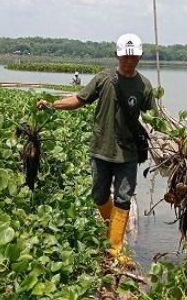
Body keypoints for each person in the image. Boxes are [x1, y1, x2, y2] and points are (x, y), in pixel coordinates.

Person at [37, 33, 156, 265]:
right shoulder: (103, 79)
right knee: (99, 195)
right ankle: (112, 227)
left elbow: (152, 116)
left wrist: (167, 134)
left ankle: (115, 248)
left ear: (140, 56)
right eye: (125, 56)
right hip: (102, 149)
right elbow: (79, 100)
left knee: (123, 198)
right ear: (117, 56)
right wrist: (52, 104)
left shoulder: (145, 86)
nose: (130, 61)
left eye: (134, 57)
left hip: (128, 153)